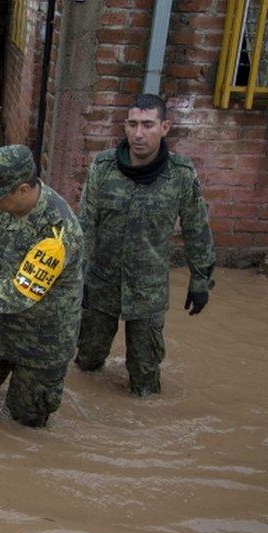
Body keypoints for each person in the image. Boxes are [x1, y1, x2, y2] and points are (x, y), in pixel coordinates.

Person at [74, 94, 215, 396]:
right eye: (133, 124)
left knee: (145, 379)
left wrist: (200, 279)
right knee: (86, 362)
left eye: (148, 125)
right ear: (125, 126)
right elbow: (84, 226)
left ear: (164, 127)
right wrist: (75, 278)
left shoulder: (180, 174)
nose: (139, 134)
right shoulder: (103, 168)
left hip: (148, 291)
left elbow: (197, 229)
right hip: (101, 285)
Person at [0, 145, 83, 428]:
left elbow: (18, 295)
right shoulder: (6, 204)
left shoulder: (58, 233)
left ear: (22, 190)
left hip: (41, 339)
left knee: (25, 422)